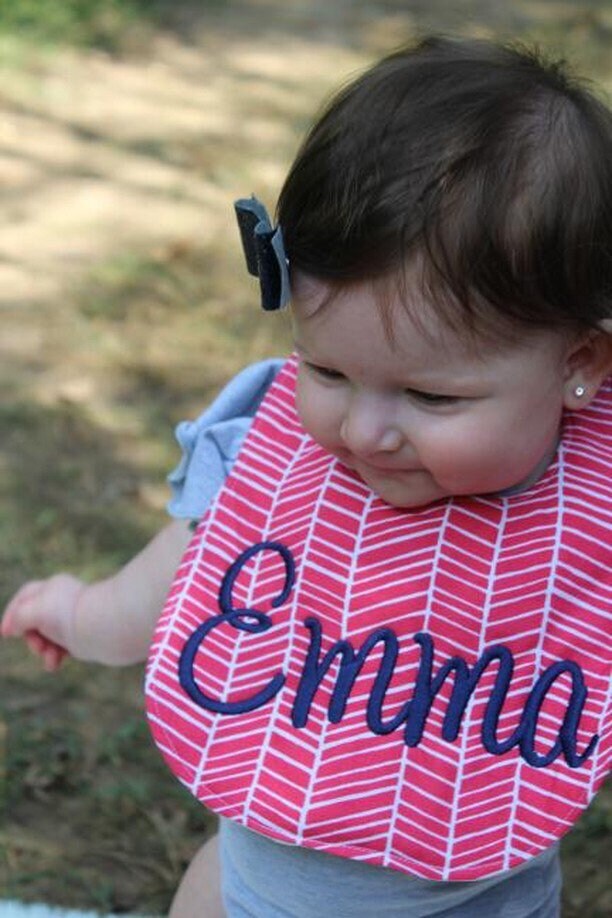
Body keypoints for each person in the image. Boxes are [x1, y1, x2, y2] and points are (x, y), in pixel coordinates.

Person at [3, 35, 612, 918]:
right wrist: (78, 611)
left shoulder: (591, 517)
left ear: (579, 363)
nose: (363, 431)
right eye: (326, 373)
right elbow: (182, 582)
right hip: (250, 891)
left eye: (431, 397)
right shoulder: (275, 461)